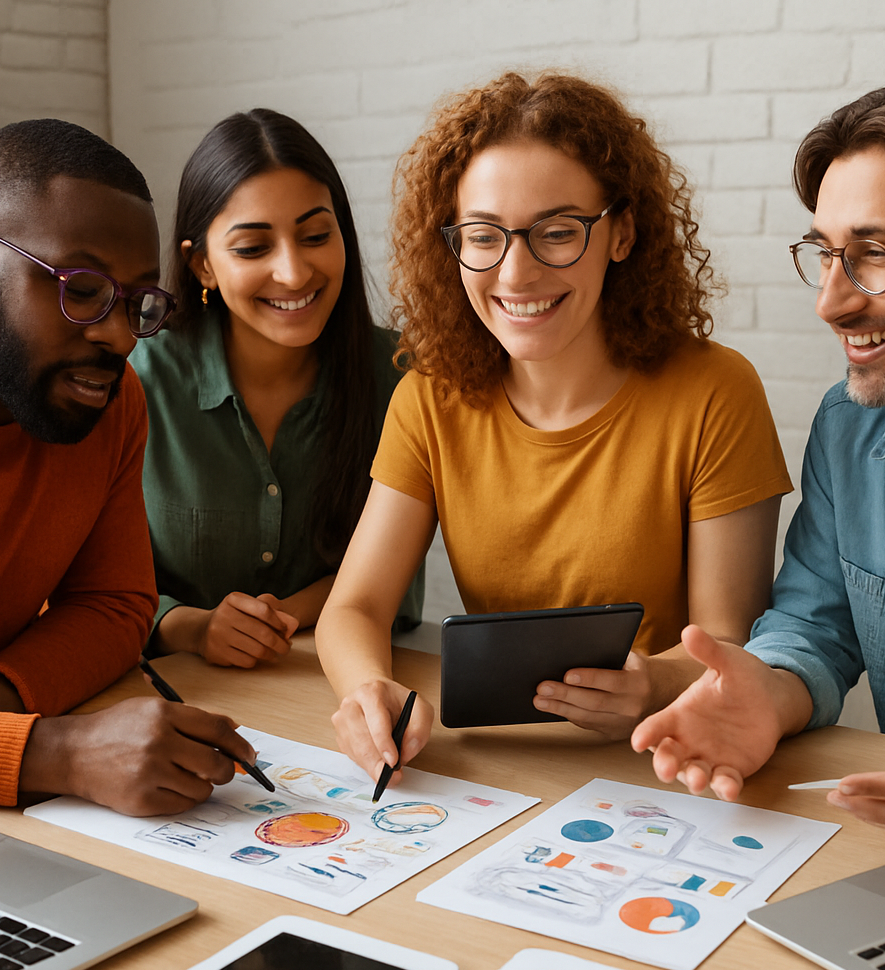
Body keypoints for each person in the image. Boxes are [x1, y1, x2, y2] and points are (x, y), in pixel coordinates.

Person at [317, 72, 792, 786]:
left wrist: (650, 684)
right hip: (493, 772)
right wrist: (366, 688)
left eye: (558, 233)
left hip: (664, 763)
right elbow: (353, 607)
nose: (517, 272)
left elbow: (727, 639)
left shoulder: (715, 391)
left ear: (621, 233)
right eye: (483, 236)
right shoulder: (428, 400)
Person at [632, 78, 885, 835]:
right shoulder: (851, 429)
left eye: (875, 254)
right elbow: (817, 623)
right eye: (824, 254)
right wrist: (769, 688)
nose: (831, 301)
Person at [0, 118, 258, 814]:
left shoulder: (108, 404)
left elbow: (114, 607)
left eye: (136, 302)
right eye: (81, 287)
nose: (119, 338)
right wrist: (61, 753)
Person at [130, 109, 422, 669]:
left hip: (340, 681)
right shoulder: (141, 381)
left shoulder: (399, 377)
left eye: (315, 235)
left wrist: (280, 617)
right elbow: (84, 585)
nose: (292, 272)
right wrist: (192, 627)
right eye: (252, 249)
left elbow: (397, 575)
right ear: (202, 266)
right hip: (171, 690)